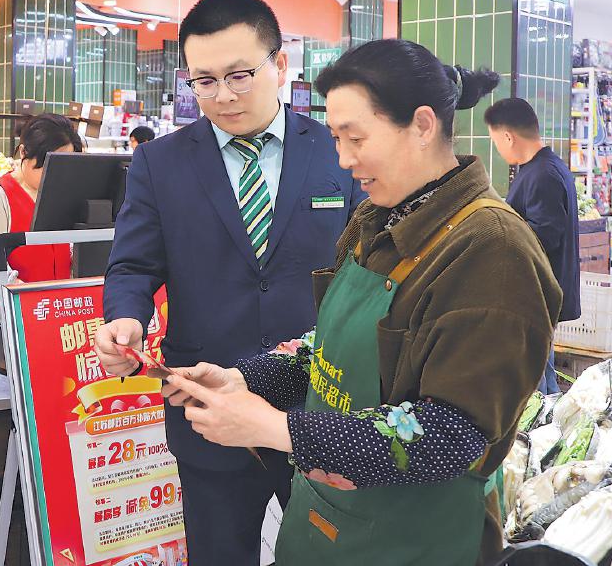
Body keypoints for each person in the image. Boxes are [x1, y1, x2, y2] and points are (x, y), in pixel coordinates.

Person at [159, 40, 562, 566]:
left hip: (414, 542)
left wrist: (275, 428)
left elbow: (452, 435)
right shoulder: (376, 217)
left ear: (422, 126)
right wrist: (245, 380)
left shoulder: (494, 252)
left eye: (356, 138)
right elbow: (328, 345)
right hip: (326, 523)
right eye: (335, 138)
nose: (343, 159)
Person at [93, 0, 364, 566]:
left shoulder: (337, 152)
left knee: (329, 554)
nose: (223, 96)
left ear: (280, 64)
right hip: (206, 399)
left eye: (240, 75)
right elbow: (134, 264)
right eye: (204, 81)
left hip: (319, 403)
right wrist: (125, 316)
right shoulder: (160, 163)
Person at [486, 97, 581, 394]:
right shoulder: (545, 167)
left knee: (533, 380)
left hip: (539, 293)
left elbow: (544, 234)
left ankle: (543, 420)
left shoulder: (543, 174)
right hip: (540, 292)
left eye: (495, 142)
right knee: (542, 371)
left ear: (508, 137)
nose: (498, 150)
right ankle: (552, 418)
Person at [0, 113, 83, 330]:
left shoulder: (62, 194)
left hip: (56, 317)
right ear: (24, 152)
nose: (54, 174)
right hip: (8, 322)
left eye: (63, 165)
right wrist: (21, 294)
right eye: (47, 164)